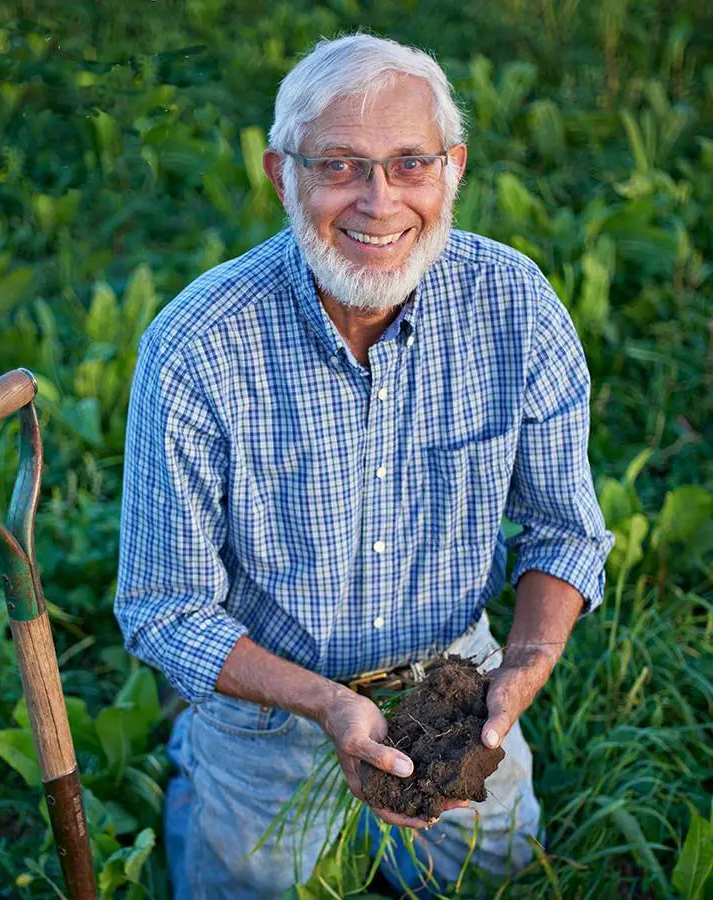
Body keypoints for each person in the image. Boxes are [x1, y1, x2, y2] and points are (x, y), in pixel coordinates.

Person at [114, 32, 614, 899]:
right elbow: (164, 608)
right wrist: (332, 707)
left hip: (459, 693)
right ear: (283, 176)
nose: (379, 202)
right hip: (268, 720)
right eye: (340, 165)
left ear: (453, 168)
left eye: (410, 163)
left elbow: (566, 531)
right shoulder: (197, 348)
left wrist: (523, 666)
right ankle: (201, 754)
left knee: (506, 883)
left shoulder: (516, 305)